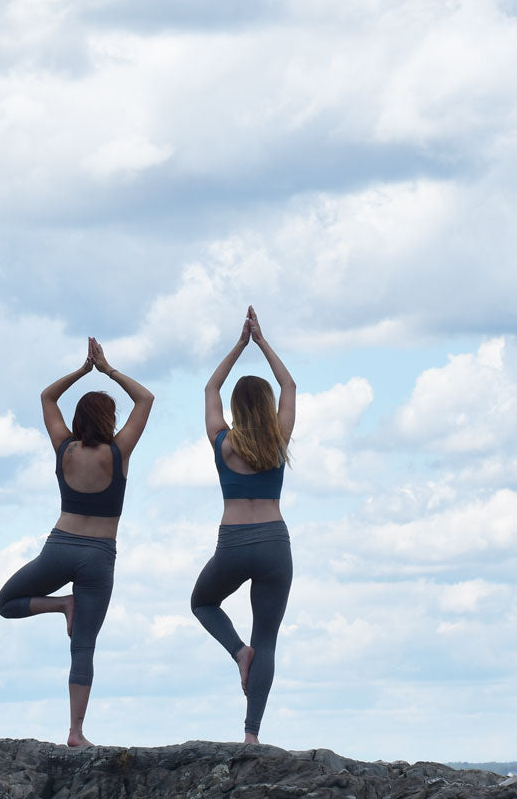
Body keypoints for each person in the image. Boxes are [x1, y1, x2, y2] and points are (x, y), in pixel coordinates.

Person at [0, 338, 154, 747]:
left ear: (79, 419)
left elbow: (48, 396)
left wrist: (83, 371)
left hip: (59, 547)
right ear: (108, 418)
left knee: (5, 603)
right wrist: (108, 369)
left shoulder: (63, 447)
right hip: (99, 556)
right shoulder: (119, 451)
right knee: (83, 646)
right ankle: (76, 732)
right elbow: (146, 399)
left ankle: (61, 604)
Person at [191, 305, 296, 744]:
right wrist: (263, 340)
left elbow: (211, 385)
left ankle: (238, 652)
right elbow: (289, 383)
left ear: (236, 406)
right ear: (268, 407)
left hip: (233, 543)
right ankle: (252, 736)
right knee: (267, 641)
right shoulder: (279, 438)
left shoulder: (223, 443)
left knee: (202, 603)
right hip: (274, 541)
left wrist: (240, 344)